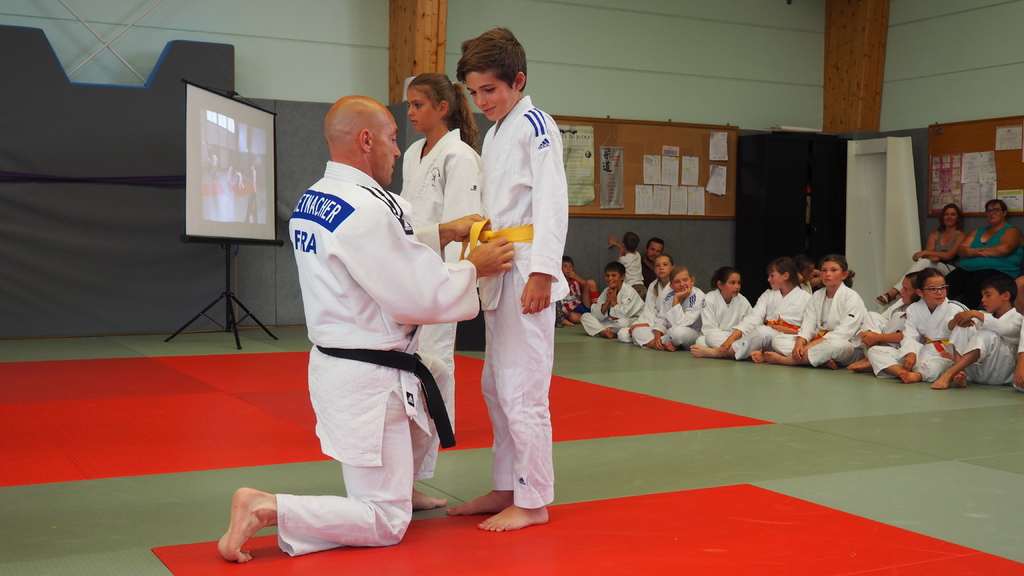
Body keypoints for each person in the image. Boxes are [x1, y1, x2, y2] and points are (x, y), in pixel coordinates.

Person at [217, 96, 514, 563]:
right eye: (392, 139)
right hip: (368, 382)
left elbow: (384, 247)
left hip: (342, 363)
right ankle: (268, 507)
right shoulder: (366, 211)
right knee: (386, 522)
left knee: (436, 372)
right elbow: (417, 293)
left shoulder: (320, 196)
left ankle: (403, 485)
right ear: (366, 140)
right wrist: (473, 267)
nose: (398, 150)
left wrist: (442, 232)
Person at [448, 27, 569, 532]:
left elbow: (552, 201)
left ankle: (534, 499)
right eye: (474, 93)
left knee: (523, 390)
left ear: (518, 80)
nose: (481, 102)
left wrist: (543, 271)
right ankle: (507, 485)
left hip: (526, 271)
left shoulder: (537, 125)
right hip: (500, 266)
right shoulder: (498, 131)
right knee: (497, 386)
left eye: (490, 90)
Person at [401, 72, 483, 478]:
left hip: (441, 269)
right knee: (410, 356)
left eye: (418, 105)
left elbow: (464, 224)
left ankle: (437, 434)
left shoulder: (459, 155)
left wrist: (455, 279)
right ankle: (412, 431)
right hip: (411, 264)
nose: (410, 112)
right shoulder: (414, 152)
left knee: (436, 356)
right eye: (409, 105)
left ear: (442, 108)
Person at [691, 257, 810, 362]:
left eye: (772, 275)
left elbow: (811, 328)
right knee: (708, 339)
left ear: (785, 276)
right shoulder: (768, 295)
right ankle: (758, 353)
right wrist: (731, 338)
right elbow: (753, 318)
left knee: (772, 338)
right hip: (765, 338)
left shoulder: (806, 298)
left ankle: (720, 353)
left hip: (791, 339)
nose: (768, 279)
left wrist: (789, 331)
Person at [867, 268, 968, 383]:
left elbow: (965, 336)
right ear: (920, 292)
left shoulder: (956, 309)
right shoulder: (914, 309)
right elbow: (910, 335)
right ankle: (901, 372)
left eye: (943, 288)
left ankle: (917, 375)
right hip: (921, 350)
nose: (939, 292)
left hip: (944, 355)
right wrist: (911, 353)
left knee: (935, 367)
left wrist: (954, 356)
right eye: (933, 289)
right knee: (875, 351)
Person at [765, 255, 866, 369]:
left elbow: (845, 332)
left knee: (836, 345)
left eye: (833, 270)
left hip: (848, 347)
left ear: (844, 275)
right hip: (817, 341)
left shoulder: (851, 297)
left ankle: (789, 360)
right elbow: (808, 324)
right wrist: (800, 343)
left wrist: (810, 345)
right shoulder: (816, 296)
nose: (827, 274)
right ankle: (820, 360)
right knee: (779, 340)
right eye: (824, 270)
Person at [933, 273, 1021, 389]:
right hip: (976, 374)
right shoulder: (984, 315)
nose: (983, 300)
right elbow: (946, 326)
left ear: (1005, 295)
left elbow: (1006, 329)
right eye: (982, 296)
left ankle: (950, 372)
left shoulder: (1018, 318)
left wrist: (975, 313)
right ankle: (960, 373)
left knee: (988, 333)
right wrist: (957, 321)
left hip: (999, 374)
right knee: (963, 326)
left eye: (988, 295)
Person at [877, 203, 966, 305]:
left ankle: (894, 292)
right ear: (942, 217)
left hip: (950, 269)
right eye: (946, 214)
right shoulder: (935, 234)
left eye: (953, 214)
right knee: (918, 274)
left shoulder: (961, 235)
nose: (949, 217)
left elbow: (949, 255)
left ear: (957, 218)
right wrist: (931, 256)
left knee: (923, 262)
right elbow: (929, 255)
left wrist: (925, 252)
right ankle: (902, 298)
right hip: (934, 265)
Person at [944, 199, 1022, 309]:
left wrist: (972, 252)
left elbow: (1004, 249)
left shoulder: (1012, 231)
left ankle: (964, 314)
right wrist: (972, 252)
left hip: (999, 270)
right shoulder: (978, 231)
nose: (991, 213)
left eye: (996, 210)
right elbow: (961, 249)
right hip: (968, 269)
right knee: (945, 285)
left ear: (1004, 212)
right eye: (988, 210)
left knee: (977, 283)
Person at [847, 272, 919, 373]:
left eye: (906, 289)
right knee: (872, 315)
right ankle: (871, 357)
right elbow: (883, 319)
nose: (901, 291)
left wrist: (877, 337)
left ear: (918, 292)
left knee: (899, 318)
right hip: (887, 341)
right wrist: (868, 334)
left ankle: (871, 360)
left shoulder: (921, 309)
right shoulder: (902, 301)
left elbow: (910, 336)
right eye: (902, 287)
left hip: (904, 347)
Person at [620, 254, 675, 347]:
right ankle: (662, 343)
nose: (661, 268)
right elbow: (649, 311)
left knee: (676, 334)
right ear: (654, 269)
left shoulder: (677, 285)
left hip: (669, 324)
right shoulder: (653, 285)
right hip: (653, 323)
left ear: (672, 268)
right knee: (623, 334)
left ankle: (659, 343)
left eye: (665, 265)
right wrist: (644, 324)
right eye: (658, 265)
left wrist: (646, 325)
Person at [692, 266, 752, 350]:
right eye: (732, 283)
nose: (737, 286)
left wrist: (734, 337)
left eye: (739, 283)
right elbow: (709, 329)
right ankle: (740, 350)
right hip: (718, 337)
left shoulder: (742, 300)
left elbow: (750, 322)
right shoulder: (709, 299)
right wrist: (727, 339)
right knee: (702, 341)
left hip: (736, 336)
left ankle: (721, 352)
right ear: (720, 285)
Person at [579, 261, 644, 338]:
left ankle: (601, 330)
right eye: (607, 275)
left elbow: (624, 315)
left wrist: (613, 301)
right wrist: (607, 302)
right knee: (585, 316)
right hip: (612, 322)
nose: (610, 279)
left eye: (613, 275)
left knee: (623, 323)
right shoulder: (606, 291)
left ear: (622, 277)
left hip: (631, 320)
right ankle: (604, 332)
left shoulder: (629, 291)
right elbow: (596, 315)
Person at [662, 266, 706, 351]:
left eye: (685, 280)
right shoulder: (669, 297)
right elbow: (662, 319)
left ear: (692, 281)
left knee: (677, 333)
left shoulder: (698, 296)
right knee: (640, 332)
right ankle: (670, 342)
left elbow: (681, 324)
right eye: (677, 282)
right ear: (671, 286)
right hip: (672, 330)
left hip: (694, 333)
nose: (682, 284)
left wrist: (676, 299)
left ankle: (667, 342)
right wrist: (657, 334)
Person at [559, 255, 598, 326]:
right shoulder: (557, 283)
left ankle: (596, 311)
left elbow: (589, 285)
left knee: (591, 282)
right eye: (565, 266)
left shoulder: (575, 281)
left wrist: (576, 277)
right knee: (573, 317)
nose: (568, 269)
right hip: (570, 311)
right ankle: (592, 320)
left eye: (570, 266)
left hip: (580, 305)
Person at [608, 231, 645, 298]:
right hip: (641, 286)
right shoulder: (638, 255)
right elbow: (624, 248)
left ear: (623, 244)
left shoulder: (622, 259)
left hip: (631, 287)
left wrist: (620, 253)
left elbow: (615, 267)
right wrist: (615, 244)